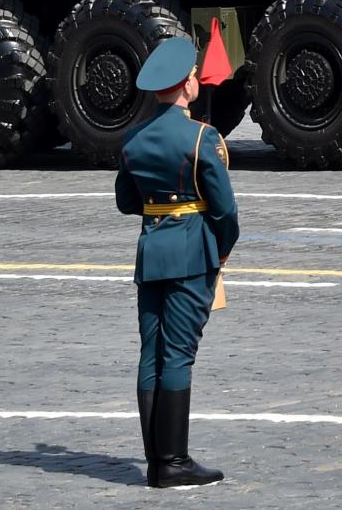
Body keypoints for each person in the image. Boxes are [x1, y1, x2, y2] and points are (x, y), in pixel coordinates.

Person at [116, 35, 238, 490]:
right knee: (179, 355)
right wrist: (219, 253)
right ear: (187, 85)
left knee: (152, 352)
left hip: (151, 252)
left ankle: (155, 459)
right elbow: (226, 212)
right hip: (192, 253)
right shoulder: (202, 138)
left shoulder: (133, 139)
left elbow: (126, 201)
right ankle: (173, 461)